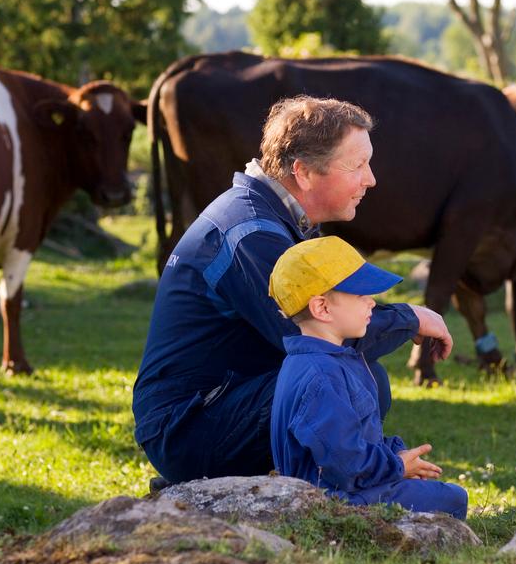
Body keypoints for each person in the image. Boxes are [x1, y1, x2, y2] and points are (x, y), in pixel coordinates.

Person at [133, 96, 452, 485]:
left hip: (216, 407)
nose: (371, 179)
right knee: (344, 376)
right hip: (188, 429)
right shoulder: (252, 234)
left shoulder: (275, 219)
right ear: (302, 172)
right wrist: (411, 317)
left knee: (354, 375)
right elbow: (321, 330)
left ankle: (332, 478)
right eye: (357, 165)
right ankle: (344, 486)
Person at [268, 235, 467, 518]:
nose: (372, 303)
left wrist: (396, 453)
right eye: (361, 295)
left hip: (350, 488)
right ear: (322, 308)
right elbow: (345, 463)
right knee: (453, 499)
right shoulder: (321, 376)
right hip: (333, 504)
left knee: (439, 494)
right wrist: (398, 467)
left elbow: (357, 436)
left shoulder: (330, 360)